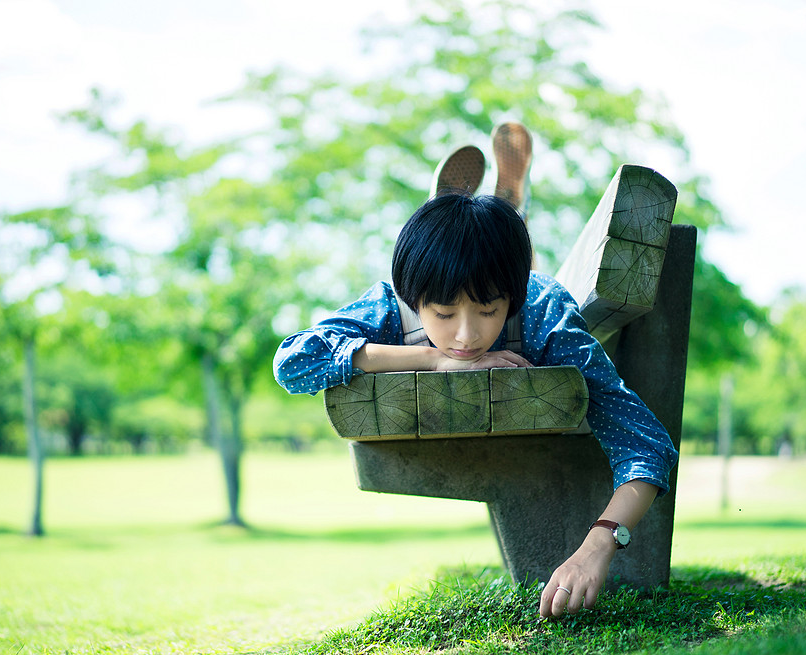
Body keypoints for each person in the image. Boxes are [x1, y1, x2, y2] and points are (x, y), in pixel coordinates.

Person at [272, 123, 677, 619]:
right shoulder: (390, 303)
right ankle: (489, 213)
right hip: (427, 315)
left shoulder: (544, 309)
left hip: (524, 294)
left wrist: (598, 544)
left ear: (514, 296)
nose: (466, 336)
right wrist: (430, 357)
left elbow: (645, 442)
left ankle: (505, 211)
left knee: (489, 260)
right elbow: (292, 363)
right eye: (442, 315)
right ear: (414, 297)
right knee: (456, 270)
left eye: (488, 311)